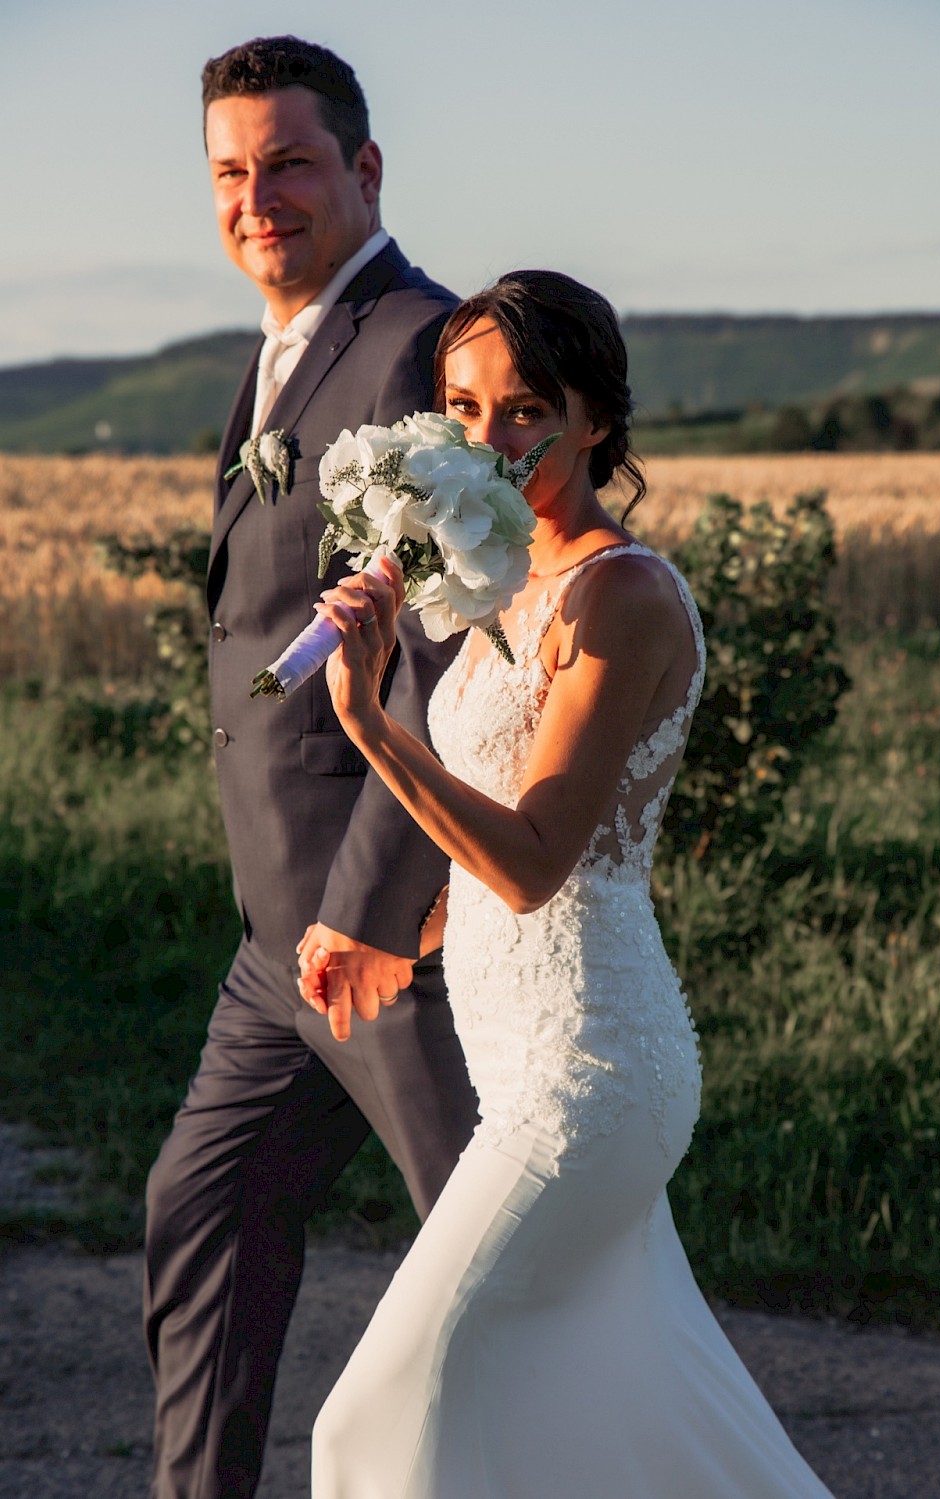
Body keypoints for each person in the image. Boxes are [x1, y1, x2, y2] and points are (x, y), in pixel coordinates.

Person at [306, 270, 835, 1496]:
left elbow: (544, 862)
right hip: (521, 1059)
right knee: (620, 1434)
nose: (489, 439)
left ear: (596, 417)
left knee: (375, 1415)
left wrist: (372, 720)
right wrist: (408, 935)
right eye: (462, 406)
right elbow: (528, 853)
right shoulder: (504, 590)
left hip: (589, 1077)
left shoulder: (625, 593)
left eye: (527, 406)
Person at [143, 36, 479, 1499]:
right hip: (277, 936)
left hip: (385, 929)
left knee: (489, 1257)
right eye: (229, 171)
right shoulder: (282, 350)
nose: (255, 197)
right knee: (199, 1208)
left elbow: (443, 652)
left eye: (286, 161)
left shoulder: (418, 342)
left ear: (364, 168)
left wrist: (373, 908)